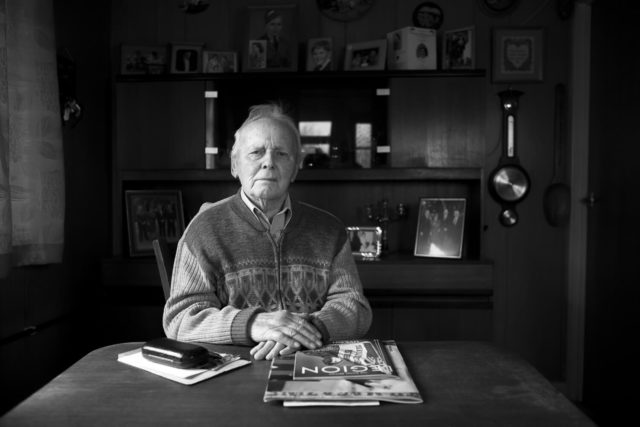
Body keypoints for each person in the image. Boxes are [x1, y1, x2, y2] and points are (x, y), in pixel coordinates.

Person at [163, 103, 372, 361]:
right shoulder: (204, 229)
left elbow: (356, 307)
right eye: (256, 152)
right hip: (233, 374)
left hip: (313, 364)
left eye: (282, 154)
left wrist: (307, 331)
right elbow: (180, 319)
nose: (269, 163)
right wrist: (253, 324)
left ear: (295, 169)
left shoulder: (329, 230)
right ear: (234, 165)